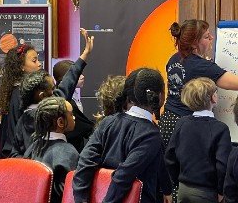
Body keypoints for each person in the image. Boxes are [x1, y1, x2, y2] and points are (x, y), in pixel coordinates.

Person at [161, 20, 238, 148]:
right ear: (194, 44)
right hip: (186, 128)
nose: (212, 38)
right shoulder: (202, 66)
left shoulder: (174, 58)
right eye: (206, 37)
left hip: (167, 121)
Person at [74, 68, 172, 203]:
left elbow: (85, 161)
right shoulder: (151, 134)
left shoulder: (108, 122)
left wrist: (80, 199)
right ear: (160, 96)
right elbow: (123, 176)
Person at [0, 28, 93, 158]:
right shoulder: (18, 97)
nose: (39, 64)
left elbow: (62, 91)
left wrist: (83, 57)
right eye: (34, 60)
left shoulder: (25, 99)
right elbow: (10, 143)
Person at [165, 77, 231, 203]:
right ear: (213, 98)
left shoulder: (181, 123)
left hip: (183, 188)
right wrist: (222, 191)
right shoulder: (220, 128)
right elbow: (223, 165)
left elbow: (170, 157)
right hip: (207, 192)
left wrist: (176, 181)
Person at [25, 96, 79, 203]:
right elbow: (68, 194)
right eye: (71, 114)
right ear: (60, 122)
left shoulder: (33, 147)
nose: (74, 118)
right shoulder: (69, 153)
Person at [10, 70, 56, 157]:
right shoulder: (47, 119)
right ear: (42, 96)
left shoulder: (22, 119)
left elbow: (14, 152)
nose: (55, 92)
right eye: (53, 88)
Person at [53, 60, 95, 152]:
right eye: (78, 75)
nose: (82, 77)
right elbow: (84, 126)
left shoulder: (75, 96)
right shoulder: (66, 102)